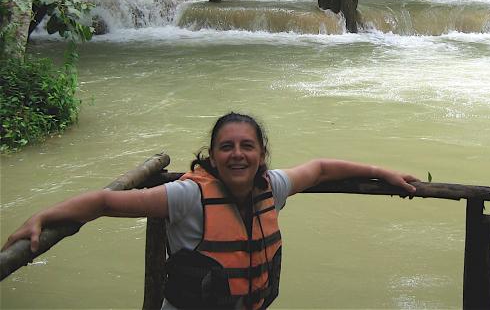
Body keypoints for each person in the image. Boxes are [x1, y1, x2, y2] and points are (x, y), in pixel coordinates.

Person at [2, 112, 419, 309]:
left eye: (247, 146)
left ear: (260, 155)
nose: (237, 154)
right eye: (227, 147)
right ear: (213, 157)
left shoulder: (271, 188)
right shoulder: (188, 196)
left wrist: (385, 173)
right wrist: (41, 217)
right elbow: (105, 202)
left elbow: (324, 168)